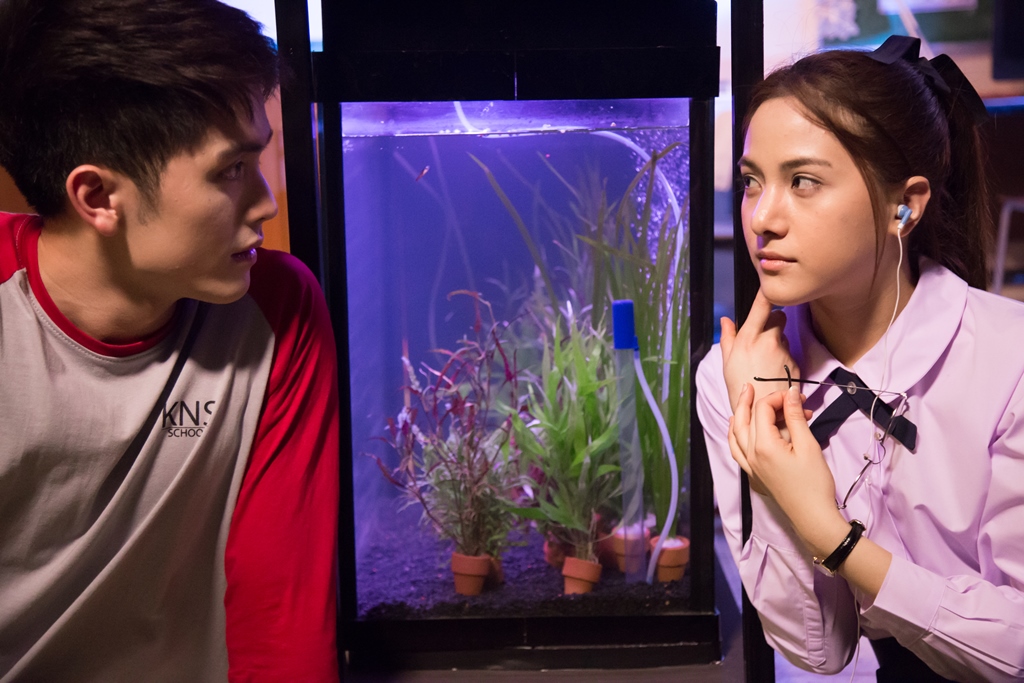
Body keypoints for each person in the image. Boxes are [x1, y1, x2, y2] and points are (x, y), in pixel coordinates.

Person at [0, 0, 340, 681]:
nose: (267, 201)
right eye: (230, 170)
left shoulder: (280, 310)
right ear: (98, 196)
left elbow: (282, 616)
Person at [696, 35, 1024, 682]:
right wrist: (766, 445)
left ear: (905, 205)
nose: (762, 218)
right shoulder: (733, 376)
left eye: (803, 181)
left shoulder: (1008, 358)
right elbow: (818, 648)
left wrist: (833, 536)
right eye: (753, 182)